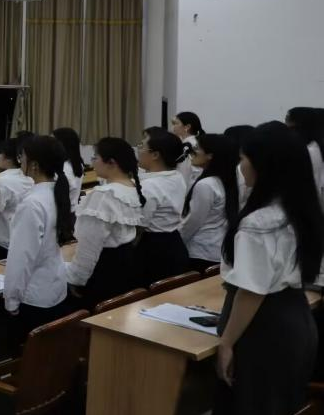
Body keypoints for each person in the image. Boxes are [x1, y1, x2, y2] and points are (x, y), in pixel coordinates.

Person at [213, 121, 323, 415]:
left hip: (263, 327)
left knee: (250, 410)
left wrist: (226, 343)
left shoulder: (260, 222)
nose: (240, 167)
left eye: (243, 159)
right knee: (280, 408)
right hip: (296, 317)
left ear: (263, 166)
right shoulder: (298, 210)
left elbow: (252, 291)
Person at [5, 136, 73, 347]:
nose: (20, 161)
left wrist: (11, 300)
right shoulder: (55, 192)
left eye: (22, 157)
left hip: (34, 296)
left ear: (34, 165)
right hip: (55, 287)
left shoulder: (32, 203)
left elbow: (21, 258)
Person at [64, 138, 144, 309]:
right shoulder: (131, 186)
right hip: (125, 261)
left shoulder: (104, 194)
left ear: (111, 162)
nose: (92, 161)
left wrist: (75, 278)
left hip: (103, 268)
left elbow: (89, 246)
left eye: (95, 157)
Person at [137, 130, 192, 286]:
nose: (138, 150)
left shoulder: (150, 186)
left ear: (155, 155)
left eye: (142, 146)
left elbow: (140, 226)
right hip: (174, 241)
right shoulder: (176, 176)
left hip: (154, 249)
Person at [180, 133, 239, 271]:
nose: (192, 152)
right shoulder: (226, 180)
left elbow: (193, 221)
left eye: (197, 148)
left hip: (201, 251)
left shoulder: (206, 184)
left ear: (210, 155)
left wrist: (177, 242)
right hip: (217, 248)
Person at [0, 138, 34, 261]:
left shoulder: (3, 181)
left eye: (1, 153)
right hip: (22, 238)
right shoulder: (30, 178)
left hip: (1, 241)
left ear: (9, 158)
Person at [52, 127, 86, 208]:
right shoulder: (77, 163)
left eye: (52, 142)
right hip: (73, 208)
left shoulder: (62, 169)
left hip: (64, 211)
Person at [171, 111, 205, 186]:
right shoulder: (194, 142)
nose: (173, 127)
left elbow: (184, 171)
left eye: (176, 123)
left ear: (187, 127)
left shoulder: (189, 145)